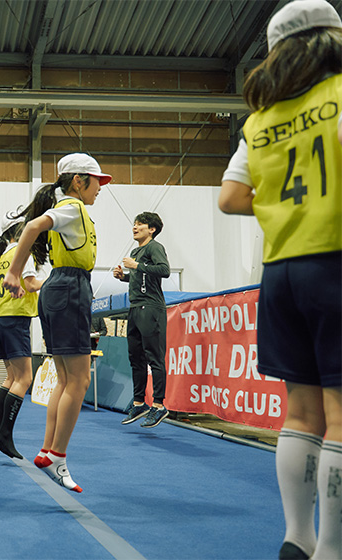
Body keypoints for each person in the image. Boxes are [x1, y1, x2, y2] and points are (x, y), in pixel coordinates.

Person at [218, 2, 341, 558]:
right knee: (339, 413)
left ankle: (298, 536)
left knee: (300, 411)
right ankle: (333, 548)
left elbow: (230, 197)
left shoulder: (261, 119)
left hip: (281, 272)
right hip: (334, 261)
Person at [3, 153, 110, 492]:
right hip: (69, 288)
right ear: (79, 181)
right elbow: (33, 227)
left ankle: (49, 451)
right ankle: (58, 455)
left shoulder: (75, 210)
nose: (100, 189)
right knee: (79, 380)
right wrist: (15, 271)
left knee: (66, 379)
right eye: (97, 182)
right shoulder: (72, 208)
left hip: (61, 288)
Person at [0, 214, 43, 460]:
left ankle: (0, 427)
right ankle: (5, 432)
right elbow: (30, 285)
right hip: (15, 318)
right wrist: (55, 279)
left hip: (0, 318)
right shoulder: (23, 253)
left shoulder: (2, 258)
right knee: (24, 378)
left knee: (11, 377)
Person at [112, 212, 171, 428]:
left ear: (152, 229)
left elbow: (164, 271)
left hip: (151, 308)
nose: (135, 227)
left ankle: (158, 405)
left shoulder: (154, 247)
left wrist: (136, 266)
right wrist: (125, 277)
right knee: (135, 357)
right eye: (134, 224)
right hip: (135, 307)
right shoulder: (136, 251)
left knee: (154, 357)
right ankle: (138, 403)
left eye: (140, 224)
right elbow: (142, 277)